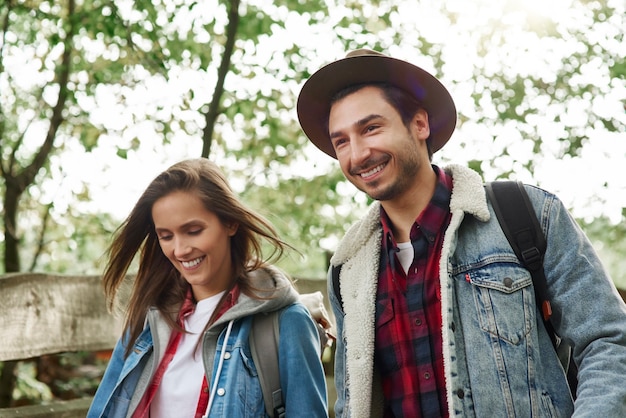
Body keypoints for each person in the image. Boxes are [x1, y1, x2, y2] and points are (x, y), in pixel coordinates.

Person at [296, 48, 626, 417]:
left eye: (371, 128)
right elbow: (351, 402)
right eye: (341, 141)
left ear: (419, 124)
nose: (357, 155)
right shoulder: (348, 269)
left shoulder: (526, 214)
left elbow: (610, 343)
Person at [87, 158, 328, 418]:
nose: (179, 250)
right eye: (166, 236)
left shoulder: (288, 322)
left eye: (193, 231)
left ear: (230, 223)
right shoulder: (147, 321)